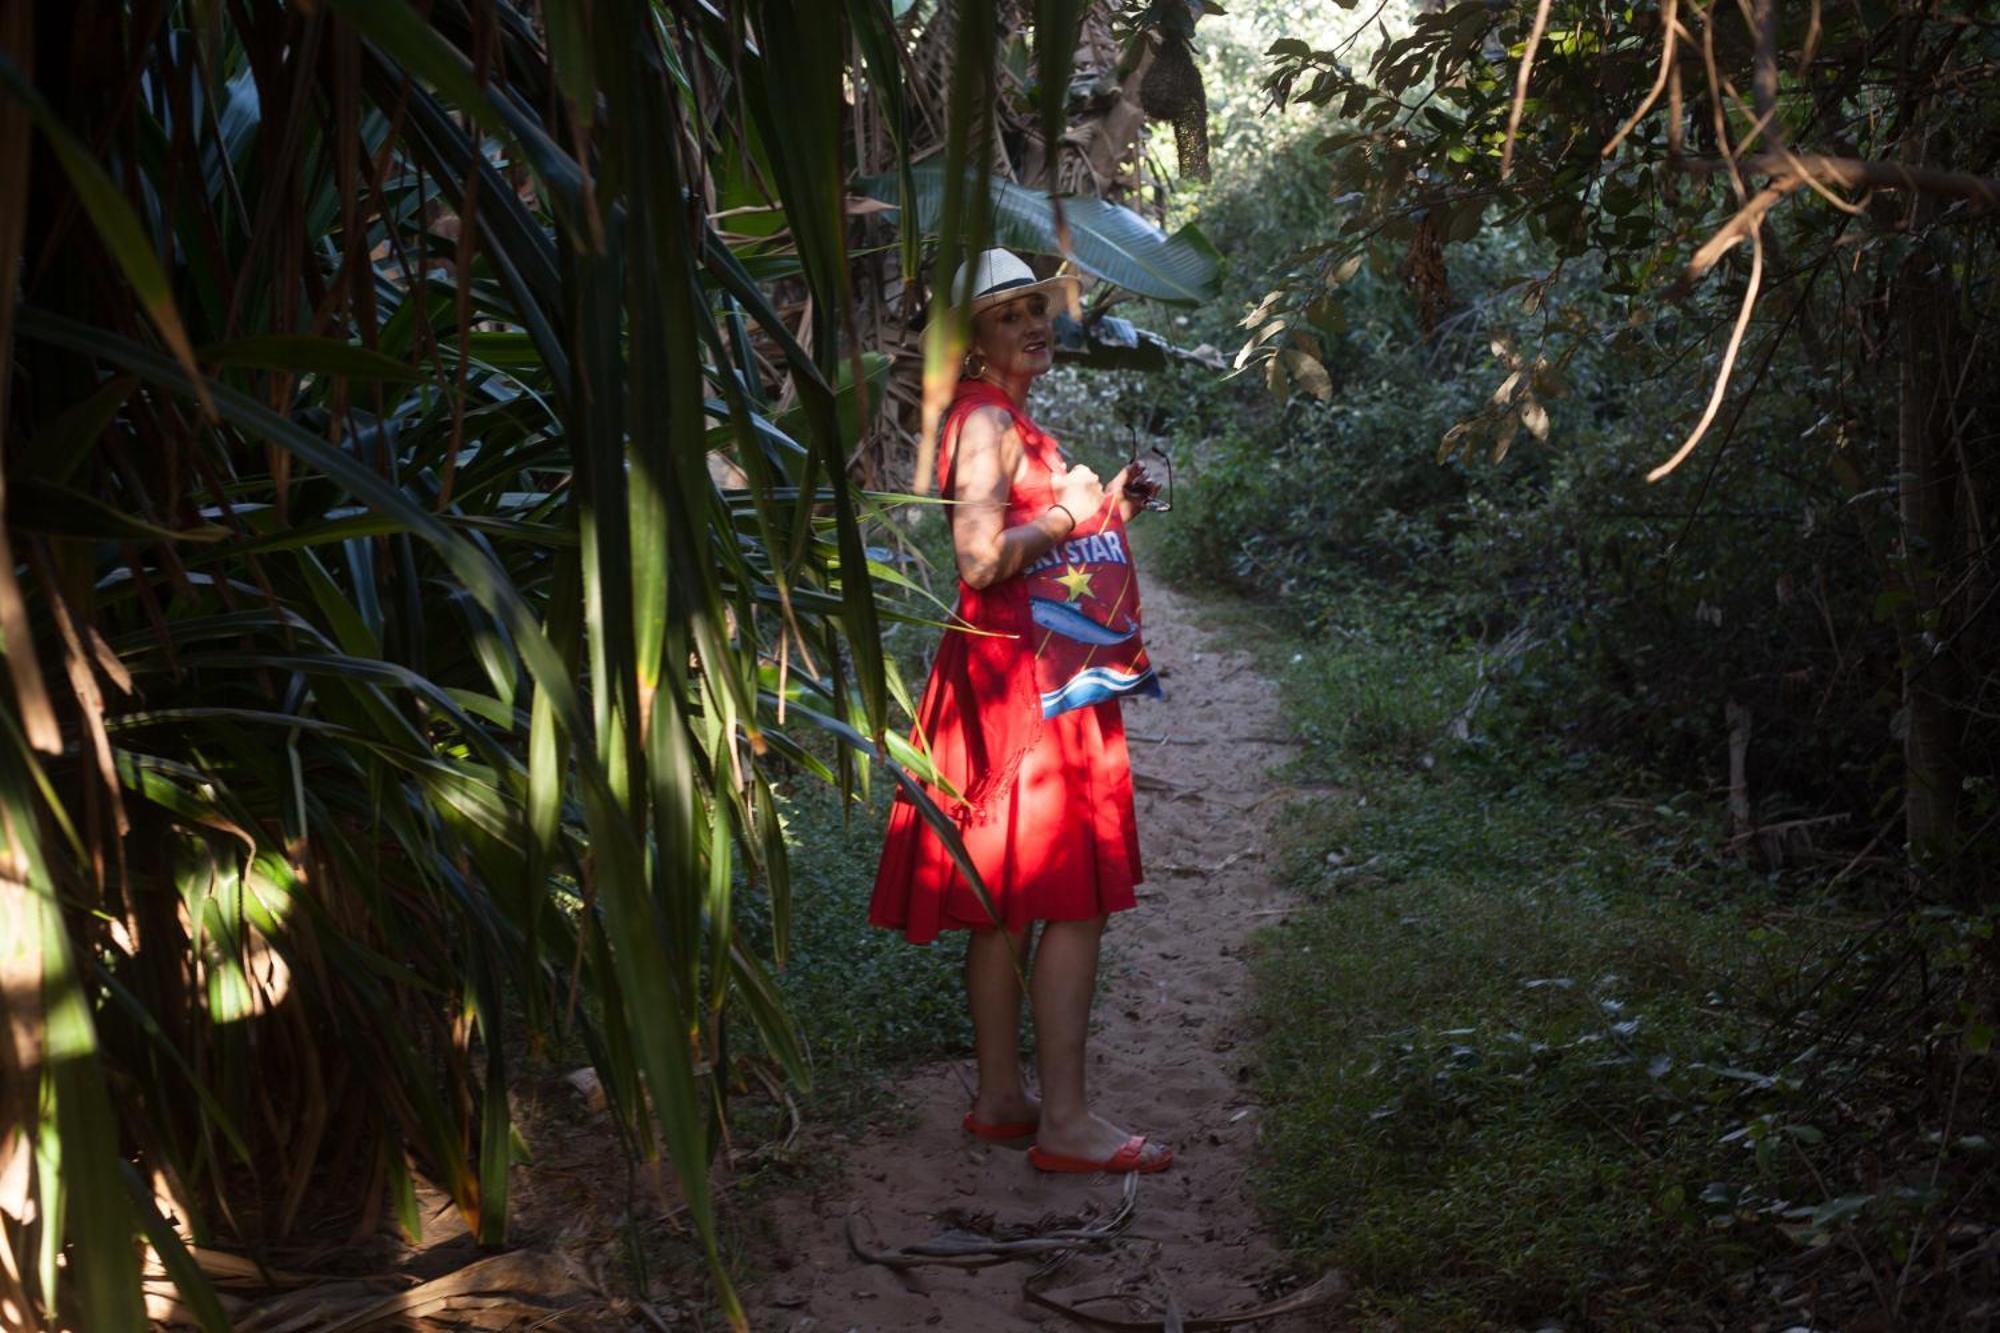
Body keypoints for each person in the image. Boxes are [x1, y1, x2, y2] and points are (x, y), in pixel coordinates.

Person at [869, 249, 1171, 1175]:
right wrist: (1067, 519)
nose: (1034, 324)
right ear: (969, 341)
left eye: (1037, 308)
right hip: (1029, 688)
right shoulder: (989, 417)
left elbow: (1029, 538)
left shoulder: (994, 415)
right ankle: (1067, 1123)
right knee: (1070, 903)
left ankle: (1004, 1099)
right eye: (1009, 315)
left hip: (1011, 671)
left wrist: (1102, 506)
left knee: (1006, 905)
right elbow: (977, 555)